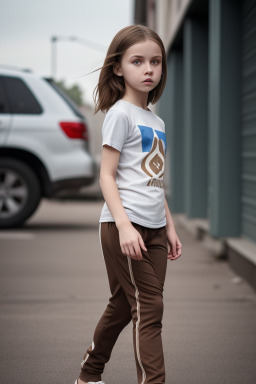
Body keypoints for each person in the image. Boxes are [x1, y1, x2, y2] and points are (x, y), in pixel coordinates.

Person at [74, 24, 182, 384]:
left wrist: (168, 226)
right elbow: (108, 176)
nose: (149, 69)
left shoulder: (156, 120)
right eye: (137, 61)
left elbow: (153, 180)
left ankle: (89, 375)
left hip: (152, 229)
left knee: (125, 304)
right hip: (125, 226)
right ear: (118, 68)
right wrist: (124, 226)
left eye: (156, 62)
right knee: (149, 307)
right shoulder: (120, 114)